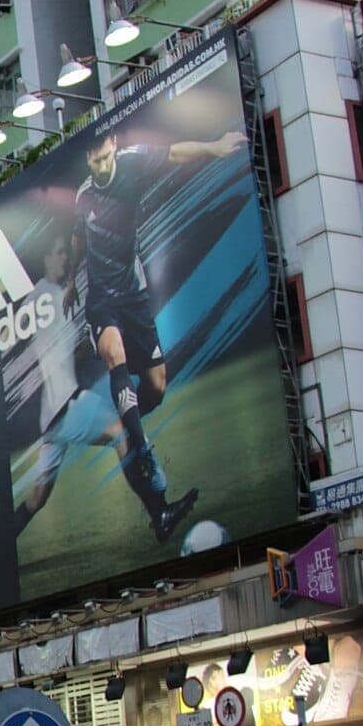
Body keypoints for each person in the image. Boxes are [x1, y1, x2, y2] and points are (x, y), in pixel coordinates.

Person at [64, 129, 247, 543]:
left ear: (111, 144)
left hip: (134, 295)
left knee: (156, 386)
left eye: (102, 154)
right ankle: (141, 443)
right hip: (103, 301)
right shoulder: (83, 195)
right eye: (91, 159)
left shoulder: (133, 162)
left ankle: (127, 429)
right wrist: (75, 280)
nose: (99, 162)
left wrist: (214, 145)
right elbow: (78, 236)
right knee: (114, 355)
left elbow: (178, 150)